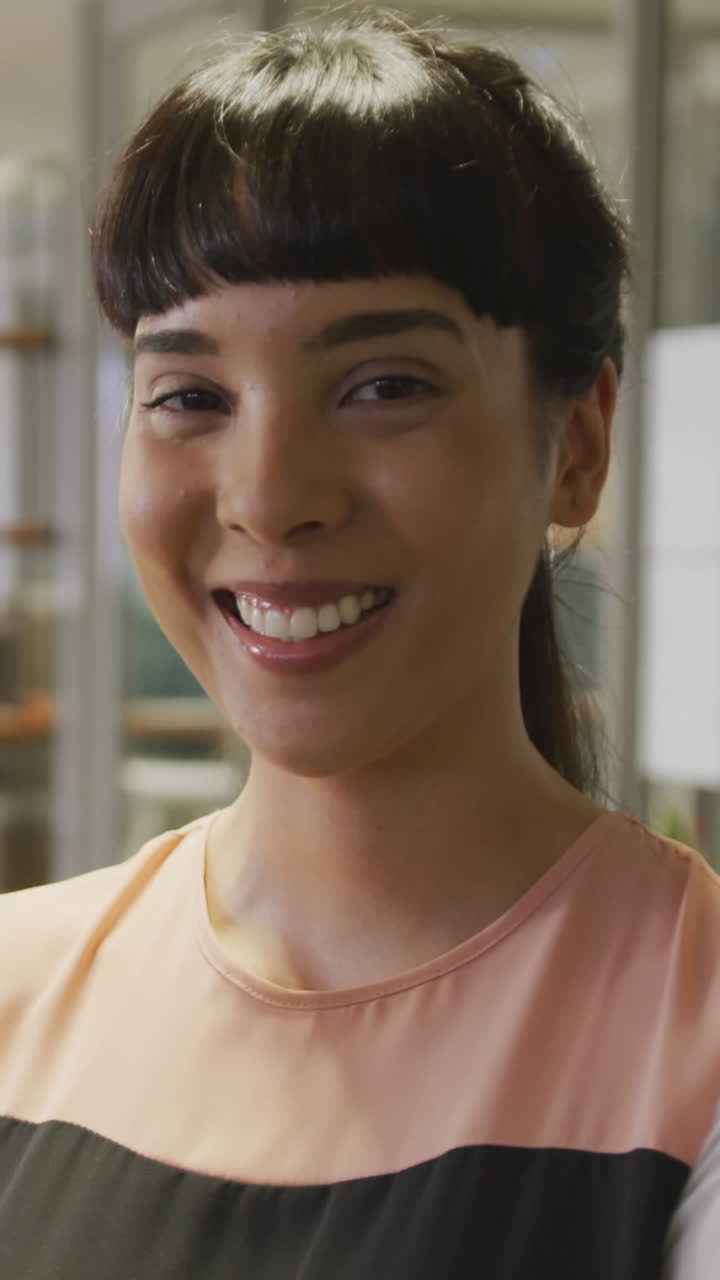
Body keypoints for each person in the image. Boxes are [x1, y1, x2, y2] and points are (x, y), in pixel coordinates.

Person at [0, 9, 718, 1277]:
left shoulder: (691, 1035)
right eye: (190, 397)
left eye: (385, 384)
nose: (269, 494)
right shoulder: (18, 994)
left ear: (580, 444)